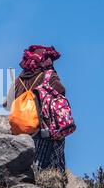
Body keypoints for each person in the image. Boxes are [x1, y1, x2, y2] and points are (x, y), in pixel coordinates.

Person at [4, 45, 67, 174]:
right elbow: (61, 91)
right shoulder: (49, 76)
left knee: (25, 169)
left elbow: (7, 105)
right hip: (43, 130)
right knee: (46, 169)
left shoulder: (18, 80)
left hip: (19, 132)